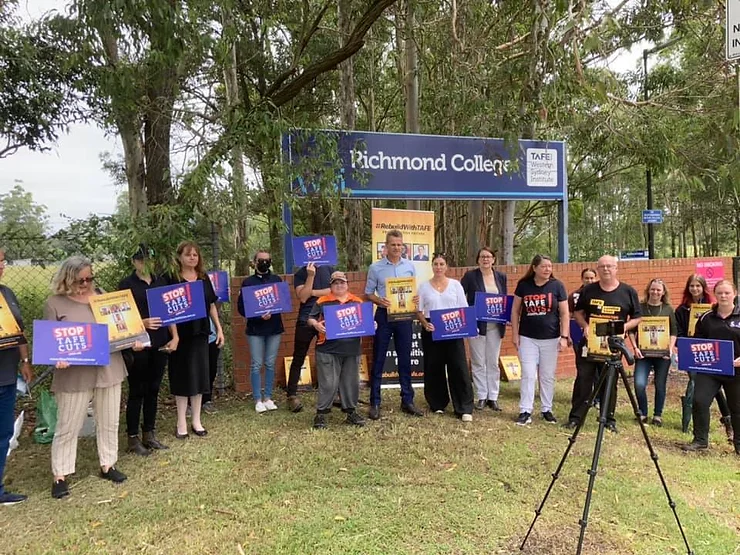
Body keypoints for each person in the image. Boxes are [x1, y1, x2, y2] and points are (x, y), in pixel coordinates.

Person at [44, 256, 137, 499]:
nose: (85, 283)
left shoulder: (105, 298)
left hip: (108, 368)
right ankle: (60, 475)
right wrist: (57, 357)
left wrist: (134, 339)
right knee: (68, 425)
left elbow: (122, 327)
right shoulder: (55, 303)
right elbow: (49, 341)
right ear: (67, 278)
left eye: (89, 278)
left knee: (109, 421)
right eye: (80, 279)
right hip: (74, 374)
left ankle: (109, 464)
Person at [566, 255, 641, 433]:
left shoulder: (628, 292)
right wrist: (584, 326)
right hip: (590, 342)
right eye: (602, 267)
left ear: (616, 268)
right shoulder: (588, 290)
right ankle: (576, 418)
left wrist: (623, 328)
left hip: (613, 344)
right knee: (584, 380)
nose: (606, 269)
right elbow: (577, 313)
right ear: (597, 270)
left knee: (610, 380)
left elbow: (638, 318)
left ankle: (608, 419)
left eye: (609, 266)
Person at [118, 244, 179, 455]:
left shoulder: (161, 281)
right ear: (134, 261)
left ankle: (149, 433)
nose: (145, 263)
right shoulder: (126, 285)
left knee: (153, 389)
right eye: (140, 259)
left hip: (160, 341)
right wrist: (141, 323)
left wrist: (175, 336)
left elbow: (169, 312)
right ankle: (132, 437)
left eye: (148, 259)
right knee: (137, 390)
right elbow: (120, 318)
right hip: (138, 345)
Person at [166, 242, 224, 439]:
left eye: (195, 255)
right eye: (188, 255)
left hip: (201, 334)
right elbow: (168, 311)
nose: (192, 258)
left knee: (200, 377)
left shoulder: (203, 278)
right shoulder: (172, 279)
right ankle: (181, 421)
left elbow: (211, 306)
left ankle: (196, 421)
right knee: (182, 377)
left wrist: (219, 328)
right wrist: (174, 335)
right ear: (180, 257)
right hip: (181, 336)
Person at [365, 229, 422, 420]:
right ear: (386, 246)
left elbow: (414, 291)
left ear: (403, 246)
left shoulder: (410, 266)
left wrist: (415, 297)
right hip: (384, 316)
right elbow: (368, 293)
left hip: (405, 316)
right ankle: (375, 402)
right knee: (379, 358)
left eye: (399, 244)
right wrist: (380, 301)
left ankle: (407, 400)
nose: (397, 248)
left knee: (404, 359)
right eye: (393, 245)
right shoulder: (376, 267)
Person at [682, 280, 740, 455]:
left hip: (736, 371)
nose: (723, 296)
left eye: (727, 293)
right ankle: (700, 440)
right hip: (711, 370)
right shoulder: (706, 317)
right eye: (720, 293)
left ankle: (738, 444)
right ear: (715, 294)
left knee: (737, 407)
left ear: (735, 294)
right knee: (699, 400)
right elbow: (697, 343)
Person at [510, 255, 569, 425]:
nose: (547, 269)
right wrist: (515, 334)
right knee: (528, 374)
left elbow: (565, 313)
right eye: (544, 266)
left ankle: (546, 409)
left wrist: (564, 336)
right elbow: (515, 311)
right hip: (528, 337)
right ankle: (525, 410)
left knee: (547, 375)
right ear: (534, 268)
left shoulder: (557, 286)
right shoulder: (524, 286)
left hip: (551, 338)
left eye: (550, 266)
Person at [416, 253, 474, 421]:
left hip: (454, 332)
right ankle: (437, 403)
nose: (439, 267)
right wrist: (425, 324)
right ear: (432, 266)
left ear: (447, 266)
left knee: (458, 367)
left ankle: (464, 407)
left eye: (442, 264)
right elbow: (419, 311)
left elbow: (464, 308)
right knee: (434, 367)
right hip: (432, 330)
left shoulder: (456, 285)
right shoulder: (424, 287)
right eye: (436, 264)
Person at [307, 271, 366, 429]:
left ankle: (351, 412)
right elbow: (310, 318)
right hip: (327, 349)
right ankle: (321, 414)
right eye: (335, 283)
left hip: (351, 349)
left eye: (342, 282)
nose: (339, 285)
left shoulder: (357, 301)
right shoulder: (322, 301)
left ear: (347, 284)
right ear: (331, 286)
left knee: (350, 382)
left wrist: (373, 325)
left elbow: (367, 322)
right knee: (328, 383)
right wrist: (316, 324)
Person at [0, 248, 33, 505]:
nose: (1, 266)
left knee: (3, 433)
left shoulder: (7, 293)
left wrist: (25, 360)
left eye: (2, 261)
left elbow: (18, 331)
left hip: (8, 376)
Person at [237, 250, 284, 413]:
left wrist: (272, 313)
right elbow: (241, 308)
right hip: (255, 329)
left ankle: (268, 397)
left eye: (267, 260)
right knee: (256, 364)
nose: (264, 263)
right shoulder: (247, 283)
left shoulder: (277, 280)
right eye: (261, 260)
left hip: (274, 328)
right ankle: (257, 399)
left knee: (270, 363)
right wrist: (258, 316)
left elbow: (282, 303)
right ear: (254, 262)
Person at [461, 247, 507, 411]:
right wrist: (468, 314)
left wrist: (505, 315)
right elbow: (461, 296)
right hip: (477, 326)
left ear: (493, 259)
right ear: (478, 260)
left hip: (495, 326)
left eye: (488, 257)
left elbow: (504, 299)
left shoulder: (501, 277)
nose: (485, 259)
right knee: (478, 361)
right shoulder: (470, 276)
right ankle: (481, 395)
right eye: (482, 257)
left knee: (493, 362)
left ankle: (493, 397)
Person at [287, 261, 334, 412]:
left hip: (328, 317)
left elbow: (335, 291)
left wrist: (313, 292)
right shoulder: (301, 273)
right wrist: (311, 276)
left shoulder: (329, 269)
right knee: (298, 357)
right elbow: (303, 297)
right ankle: (292, 395)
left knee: (333, 356)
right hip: (306, 318)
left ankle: (336, 393)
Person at [629, 279, 677, 427]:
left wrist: (670, 348)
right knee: (639, 383)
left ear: (663, 292)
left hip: (662, 355)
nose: (655, 292)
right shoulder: (640, 308)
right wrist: (635, 348)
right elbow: (631, 330)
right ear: (648, 290)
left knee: (660, 385)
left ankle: (657, 415)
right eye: (653, 289)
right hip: (643, 354)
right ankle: (643, 412)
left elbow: (674, 332)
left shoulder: (668, 309)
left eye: (658, 290)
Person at [201, 316, 221, 414]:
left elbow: (214, 306)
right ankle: (189, 403)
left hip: (211, 337)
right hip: (193, 337)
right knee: (192, 371)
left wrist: (219, 330)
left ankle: (207, 400)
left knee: (211, 370)